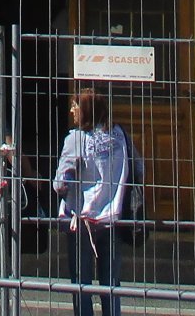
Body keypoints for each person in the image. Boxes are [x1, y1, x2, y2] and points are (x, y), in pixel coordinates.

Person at [53, 86, 133, 316]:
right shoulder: (119, 135)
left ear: (86, 109)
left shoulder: (76, 138)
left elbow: (60, 183)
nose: (71, 110)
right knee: (111, 285)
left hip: (82, 221)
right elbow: (138, 167)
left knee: (81, 284)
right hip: (113, 217)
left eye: (75, 105)